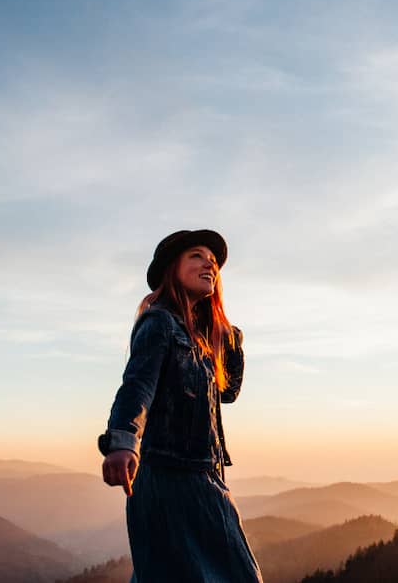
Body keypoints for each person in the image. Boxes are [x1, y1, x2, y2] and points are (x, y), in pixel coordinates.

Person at [97, 229, 263, 582]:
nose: (210, 265)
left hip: (203, 473)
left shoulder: (199, 339)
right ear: (172, 269)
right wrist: (123, 441)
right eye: (197, 256)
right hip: (169, 476)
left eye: (214, 262)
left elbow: (228, 393)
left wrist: (231, 340)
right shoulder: (160, 322)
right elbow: (138, 382)